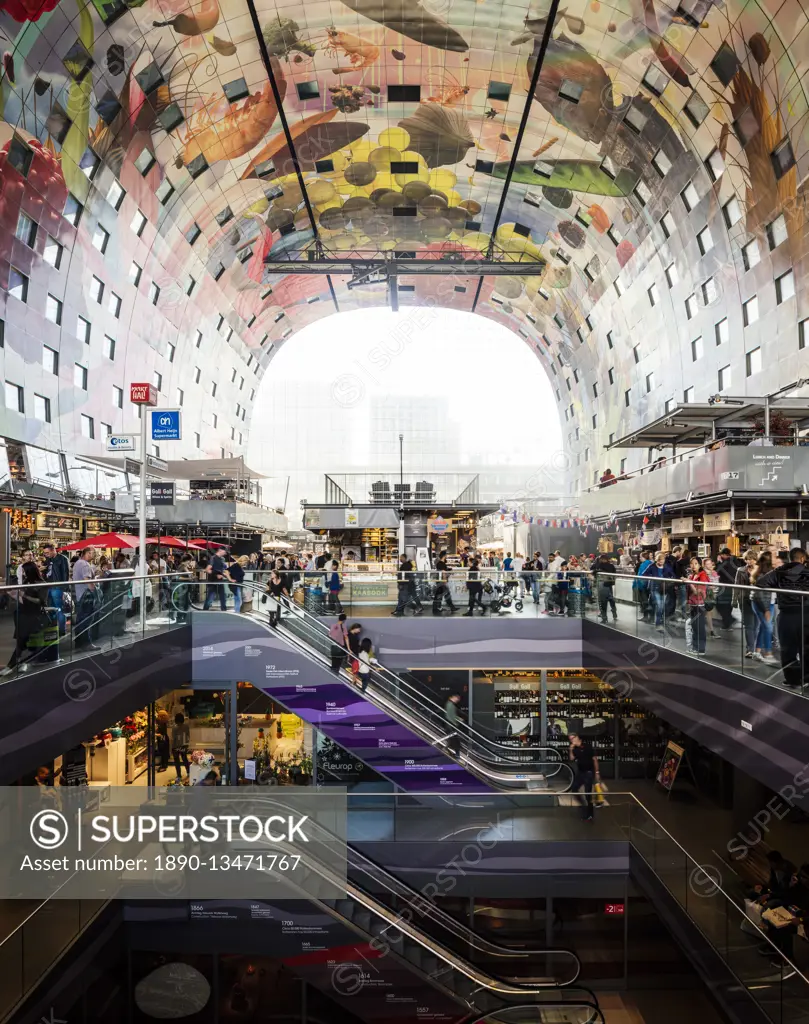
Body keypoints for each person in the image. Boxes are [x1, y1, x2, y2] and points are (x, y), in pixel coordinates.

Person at [756, 547, 809, 687]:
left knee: (788, 649)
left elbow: (760, 582)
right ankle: (807, 677)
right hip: (807, 613)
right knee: (807, 647)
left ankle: (793, 679)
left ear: (791, 558)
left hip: (787, 615)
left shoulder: (780, 571)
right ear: (803, 559)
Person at [2, 561, 47, 674]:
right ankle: (20, 663)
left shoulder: (40, 583)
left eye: (24, 571)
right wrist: (14, 595)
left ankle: (13, 665)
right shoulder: (27, 581)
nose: (22, 573)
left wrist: (24, 595)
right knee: (22, 640)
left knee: (23, 640)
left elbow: (41, 601)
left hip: (33, 614)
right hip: (23, 612)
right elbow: (23, 598)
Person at [750, 553, 777, 663]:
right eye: (774, 557)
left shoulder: (770, 573)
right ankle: (768, 654)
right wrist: (766, 609)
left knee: (763, 627)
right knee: (768, 627)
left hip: (769, 603)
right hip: (762, 604)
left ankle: (757, 652)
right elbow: (759, 595)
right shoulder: (762, 575)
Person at [73, 547, 99, 650]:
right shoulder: (84, 564)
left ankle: (79, 642)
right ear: (88, 553)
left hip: (80, 595)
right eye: (93, 553)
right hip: (86, 596)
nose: (94, 555)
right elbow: (87, 580)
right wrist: (94, 591)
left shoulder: (78, 563)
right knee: (86, 620)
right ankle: (86, 643)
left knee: (80, 620)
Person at [642, 551, 675, 631]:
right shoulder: (652, 566)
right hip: (654, 588)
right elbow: (644, 574)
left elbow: (673, 575)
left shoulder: (666, 567)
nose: (661, 561)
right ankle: (658, 624)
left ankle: (657, 618)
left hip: (664, 588)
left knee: (662, 606)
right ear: (657, 560)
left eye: (663, 560)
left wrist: (669, 580)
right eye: (660, 560)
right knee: (659, 605)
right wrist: (652, 577)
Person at [735, 550, 759, 658]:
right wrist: (734, 600)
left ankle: (755, 649)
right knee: (749, 625)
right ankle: (750, 649)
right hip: (745, 600)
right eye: (748, 559)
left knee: (757, 626)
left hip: (758, 601)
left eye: (752, 559)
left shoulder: (761, 570)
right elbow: (736, 586)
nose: (750, 561)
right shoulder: (740, 570)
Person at [569, 733, 599, 821]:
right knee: (574, 789)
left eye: (573, 738)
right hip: (581, 772)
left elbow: (595, 759)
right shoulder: (574, 749)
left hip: (589, 772)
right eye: (570, 739)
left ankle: (590, 814)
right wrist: (570, 749)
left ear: (578, 737)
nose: (572, 740)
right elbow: (571, 758)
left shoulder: (587, 746)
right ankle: (583, 806)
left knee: (588, 794)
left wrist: (597, 772)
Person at [42, 542, 69, 635]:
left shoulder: (62, 559)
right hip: (48, 587)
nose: (46, 555)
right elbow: (46, 573)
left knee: (59, 608)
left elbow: (65, 574)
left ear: (53, 550)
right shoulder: (47, 560)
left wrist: (64, 589)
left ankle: (62, 630)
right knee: (50, 608)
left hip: (58, 587)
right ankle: (53, 628)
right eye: (45, 553)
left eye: (47, 552)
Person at [685, 555, 709, 655]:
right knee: (694, 627)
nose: (693, 566)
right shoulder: (693, 575)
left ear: (700, 565)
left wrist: (689, 582)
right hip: (693, 604)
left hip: (699, 605)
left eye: (696, 563)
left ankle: (700, 649)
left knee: (699, 627)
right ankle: (695, 648)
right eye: (692, 564)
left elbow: (698, 592)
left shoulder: (702, 575)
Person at [715, 547, 742, 631]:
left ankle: (729, 621)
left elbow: (717, 571)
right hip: (734, 587)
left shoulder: (725, 563)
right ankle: (727, 623)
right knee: (728, 606)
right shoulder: (736, 561)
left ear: (724, 555)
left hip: (725, 587)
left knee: (719, 604)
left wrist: (719, 562)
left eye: (721, 555)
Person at [593, 552, 617, 623]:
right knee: (611, 599)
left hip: (602, 584)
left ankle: (604, 618)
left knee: (603, 602)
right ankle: (614, 613)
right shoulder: (612, 566)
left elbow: (594, 571)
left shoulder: (600, 565)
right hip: (609, 584)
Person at [432, 550, 457, 614]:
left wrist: (449, 569)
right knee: (444, 595)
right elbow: (443, 572)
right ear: (444, 556)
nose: (447, 556)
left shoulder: (440, 563)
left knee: (441, 595)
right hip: (441, 582)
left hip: (440, 582)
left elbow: (443, 570)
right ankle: (451, 607)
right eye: (446, 555)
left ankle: (437, 608)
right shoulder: (441, 563)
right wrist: (445, 581)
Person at [633, 550, 654, 623]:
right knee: (648, 601)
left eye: (641, 557)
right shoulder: (651, 563)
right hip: (649, 585)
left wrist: (637, 584)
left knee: (644, 601)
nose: (640, 558)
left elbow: (641, 575)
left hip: (643, 585)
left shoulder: (644, 564)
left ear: (644, 557)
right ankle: (650, 617)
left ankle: (646, 617)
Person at [702, 557, 720, 638]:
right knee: (705, 612)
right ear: (704, 565)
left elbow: (717, 583)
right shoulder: (703, 573)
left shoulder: (714, 573)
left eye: (710, 563)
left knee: (709, 612)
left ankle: (711, 630)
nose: (709, 565)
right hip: (704, 594)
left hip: (713, 594)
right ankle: (710, 630)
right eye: (707, 564)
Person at [170, 712, 191, 780]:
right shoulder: (186, 726)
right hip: (184, 745)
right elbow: (188, 736)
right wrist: (187, 744)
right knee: (185, 759)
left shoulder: (174, 727)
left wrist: (172, 747)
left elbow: (173, 738)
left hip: (176, 746)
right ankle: (188, 772)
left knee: (177, 761)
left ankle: (179, 775)